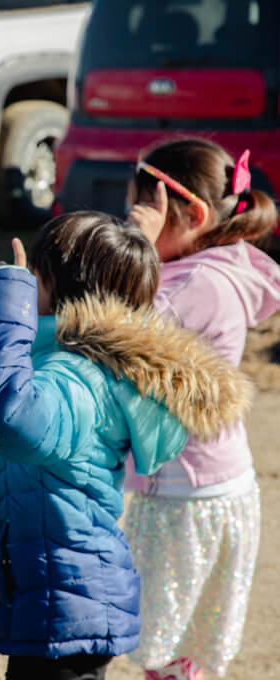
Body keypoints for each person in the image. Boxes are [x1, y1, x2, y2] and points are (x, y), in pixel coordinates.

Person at [0, 212, 252, 680]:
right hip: (60, 597)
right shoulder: (63, 367)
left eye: (35, 274)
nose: (27, 283)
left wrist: (2, 300)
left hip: (65, 602)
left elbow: (7, 421)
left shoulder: (78, 378)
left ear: (59, 286)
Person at [123, 138, 280, 680]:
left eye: (144, 213)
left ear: (192, 214)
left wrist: (134, 250)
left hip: (183, 495)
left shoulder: (195, 282)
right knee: (182, 649)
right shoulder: (220, 266)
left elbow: (119, 335)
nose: (132, 224)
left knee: (169, 651)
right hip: (210, 484)